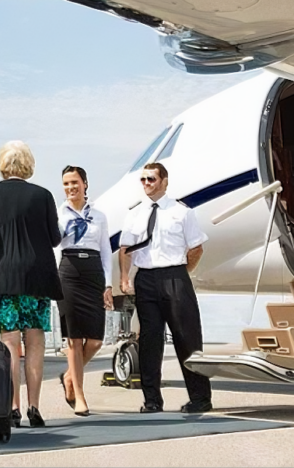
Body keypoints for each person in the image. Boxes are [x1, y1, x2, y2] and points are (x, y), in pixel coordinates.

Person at [0, 140, 63, 428]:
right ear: (28, 163)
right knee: (35, 342)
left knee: (9, 343)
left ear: (3, 164)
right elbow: (55, 238)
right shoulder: (43, 196)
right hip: (37, 277)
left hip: (3, 278)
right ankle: (35, 408)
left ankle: (13, 408)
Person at [118, 162, 212, 414]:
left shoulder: (182, 212)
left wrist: (181, 274)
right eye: (143, 180)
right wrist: (125, 277)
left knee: (187, 338)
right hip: (146, 278)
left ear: (164, 181)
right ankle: (152, 400)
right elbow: (125, 249)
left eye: (151, 179)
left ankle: (200, 398)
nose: (147, 184)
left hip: (174, 276)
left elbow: (196, 248)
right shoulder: (135, 214)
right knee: (150, 340)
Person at [57, 165, 113, 416]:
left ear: (85, 184)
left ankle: (69, 376)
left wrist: (108, 284)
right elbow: (54, 246)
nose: (71, 188)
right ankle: (79, 395)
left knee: (96, 340)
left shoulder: (99, 216)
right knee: (74, 339)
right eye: (66, 183)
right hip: (68, 271)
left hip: (92, 272)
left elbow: (105, 252)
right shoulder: (58, 213)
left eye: (75, 182)